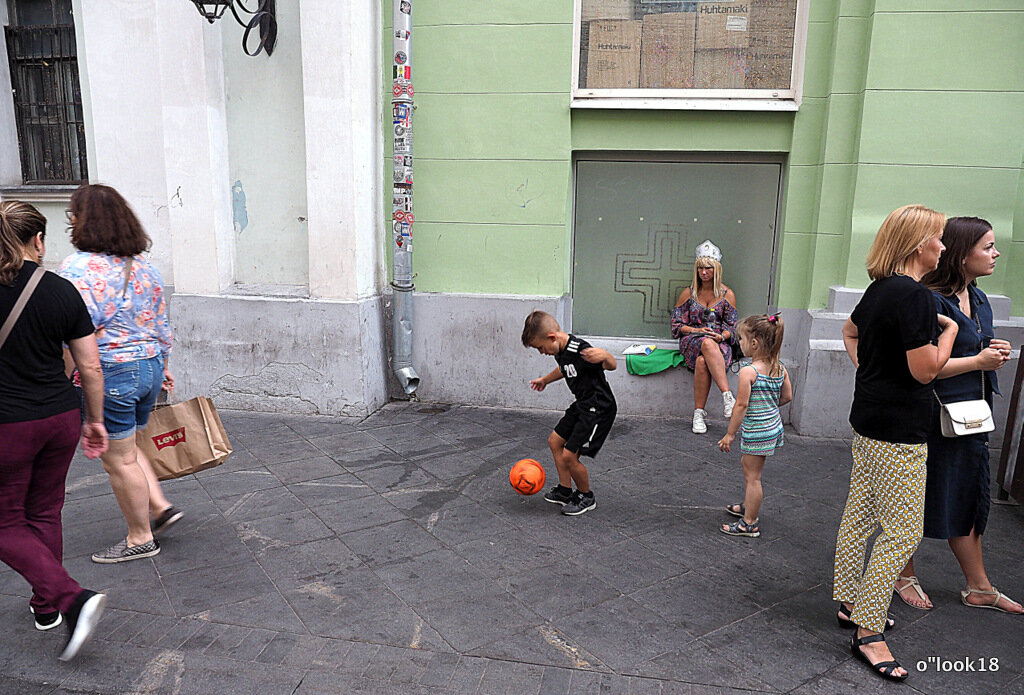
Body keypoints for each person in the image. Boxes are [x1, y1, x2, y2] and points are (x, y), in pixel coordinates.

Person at [833, 204, 958, 682]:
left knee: (861, 514)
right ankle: (868, 631)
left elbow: (850, 332)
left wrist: (868, 372)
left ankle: (850, 601)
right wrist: (947, 333)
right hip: (900, 429)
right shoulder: (917, 299)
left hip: (868, 419)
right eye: (938, 238)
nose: (943, 247)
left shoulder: (880, 289)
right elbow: (926, 369)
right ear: (917, 243)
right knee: (902, 531)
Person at [893, 217, 1020, 614]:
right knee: (914, 498)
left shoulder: (978, 298)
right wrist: (977, 360)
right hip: (930, 415)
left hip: (970, 415)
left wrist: (992, 353)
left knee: (967, 495)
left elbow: (973, 351)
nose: (996, 253)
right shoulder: (928, 300)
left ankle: (979, 585)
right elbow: (921, 368)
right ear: (962, 255)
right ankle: (902, 575)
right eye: (987, 247)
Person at [0, 200, 109, 661]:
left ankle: (71, 598)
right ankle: (46, 607)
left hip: (8, 425)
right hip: (60, 418)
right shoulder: (61, 290)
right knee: (45, 510)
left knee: (5, 519)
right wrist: (96, 420)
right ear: (38, 240)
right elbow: (89, 365)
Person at [58, 184, 180, 564]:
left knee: (119, 459)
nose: (71, 220)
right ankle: (158, 507)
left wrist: (66, 377)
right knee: (129, 448)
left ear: (84, 220)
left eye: (73, 214)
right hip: (149, 366)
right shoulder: (144, 267)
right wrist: (163, 366)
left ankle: (140, 538)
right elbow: (160, 323)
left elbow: (74, 335)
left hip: (111, 372)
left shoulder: (77, 269)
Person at [522, 310, 617, 516]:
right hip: (582, 403)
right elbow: (565, 369)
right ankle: (565, 491)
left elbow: (612, 365)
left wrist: (606, 355)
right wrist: (545, 380)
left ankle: (586, 496)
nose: (542, 352)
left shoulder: (581, 350)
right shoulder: (559, 350)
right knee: (555, 441)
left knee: (569, 455)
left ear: (552, 337)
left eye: (540, 348)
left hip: (598, 408)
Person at [717, 314, 792, 538]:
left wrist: (730, 434)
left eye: (741, 339)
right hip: (771, 427)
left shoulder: (748, 372)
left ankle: (749, 522)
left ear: (754, 343)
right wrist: (768, 405)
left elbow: (741, 404)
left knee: (753, 477)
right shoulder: (780, 368)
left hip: (757, 431)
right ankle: (749, 505)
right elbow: (787, 396)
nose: (739, 343)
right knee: (749, 466)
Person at [671, 240, 738, 434]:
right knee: (705, 344)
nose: (704, 272)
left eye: (708, 268)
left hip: (719, 344)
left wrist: (720, 336)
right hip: (692, 340)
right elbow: (676, 325)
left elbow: (732, 328)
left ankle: (698, 414)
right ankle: (727, 396)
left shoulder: (727, 294)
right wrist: (697, 331)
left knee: (703, 362)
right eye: (700, 268)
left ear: (716, 268)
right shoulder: (688, 293)